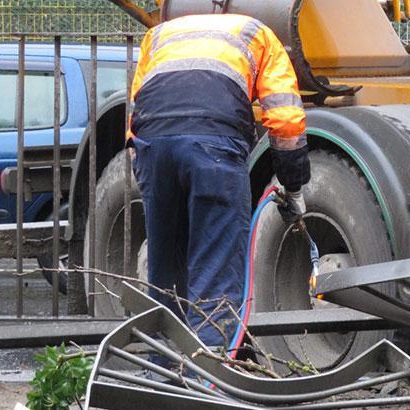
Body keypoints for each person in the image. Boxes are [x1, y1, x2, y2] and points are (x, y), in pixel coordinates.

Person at [127, 6, 310, 349]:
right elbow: (285, 119)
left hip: (154, 145)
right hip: (214, 148)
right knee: (216, 272)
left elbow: (136, 107)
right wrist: (294, 185)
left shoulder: (160, 35)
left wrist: (147, 169)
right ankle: (208, 378)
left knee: (165, 275)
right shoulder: (259, 35)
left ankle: (165, 376)